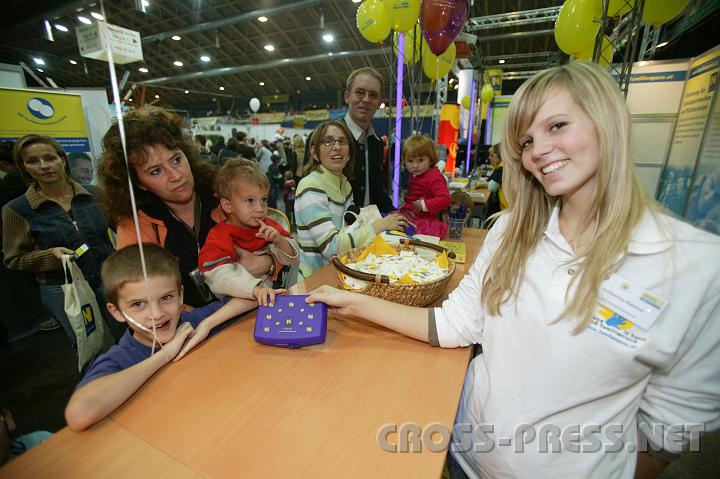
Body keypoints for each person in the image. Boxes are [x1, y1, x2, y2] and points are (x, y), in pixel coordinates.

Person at [306, 62, 720, 478]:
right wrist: (352, 301)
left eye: (557, 126)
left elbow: (670, 429)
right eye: (527, 140)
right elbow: (454, 324)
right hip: (461, 456)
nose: (538, 150)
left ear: (606, 121)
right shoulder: (510, 231)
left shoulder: (697, 269)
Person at [64, 243, 258, 431]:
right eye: (138, 304)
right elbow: (79, 413)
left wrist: (208, 324)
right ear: (117, 312)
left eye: (166, 298)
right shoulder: (121, 358)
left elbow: (258, 296)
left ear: (180, 296)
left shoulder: (191, 323)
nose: (157, 314)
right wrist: (165, 355)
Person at [99, 107, 274, 309]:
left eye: (176, 160)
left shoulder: (224, 192)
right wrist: (194, 316)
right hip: (192, 323)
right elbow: (143, 300)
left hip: (255, 307)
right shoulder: (136, 226)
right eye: (156, 171)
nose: (176, 176)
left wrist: (270, 262)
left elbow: (278, 237)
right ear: (139, 183)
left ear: (186, 154)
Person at [2, 135, 121, 348]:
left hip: (108, 277)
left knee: (128, 333)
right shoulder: (17, 209)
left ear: (62, 159)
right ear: (24, 167)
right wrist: (50, 256)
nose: (43, 166)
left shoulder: (94, 194)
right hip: (64, 288)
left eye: (49, 158)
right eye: (33, 161)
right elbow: (14, 259)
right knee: (89, 346)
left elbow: (122, 228)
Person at [294, 120, 405, 278]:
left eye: (342, 141)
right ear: (314, 153)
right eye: (328, 141)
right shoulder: (311, 186)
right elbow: (332, 249)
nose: (337, 146)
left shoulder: (345, 185)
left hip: (341, 276)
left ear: (349, 154)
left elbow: (352, 230)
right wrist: (378, 226)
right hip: (315, 281)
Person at [198, 159, 299, 304]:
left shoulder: (268, 225)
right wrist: (254, 289)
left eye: (264, 200)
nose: (260, 208)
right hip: (243, 303)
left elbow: (294, 257)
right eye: (250, 201)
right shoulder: (219, 235)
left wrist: (280, 241)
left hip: (278, 297)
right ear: (227, 205)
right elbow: (216, 274)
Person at [305, 67, 394, 213]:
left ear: (379, 103)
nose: (366, 99)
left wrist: (397, 214)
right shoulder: (321, 138)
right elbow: (309, 194)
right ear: (347, 97)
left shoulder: (377, 142)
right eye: (360, 92)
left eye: (373, 95)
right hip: (333, 225)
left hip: (372, 224)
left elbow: (376, 191)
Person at [397, 134, 451, 238]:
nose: (415, 165)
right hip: (410, 215)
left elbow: (445, 199)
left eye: (421, 160)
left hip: (423, 221)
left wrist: (423, 205)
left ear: (431, 159)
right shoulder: (416, 174)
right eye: (410, 161)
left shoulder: (434, 177)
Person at [486, 143, 508, 217]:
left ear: (499, 155)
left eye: (492, 155)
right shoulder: (502, 166)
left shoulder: (503, 167)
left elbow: (491, 187)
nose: (489, 158)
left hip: (506, 208)